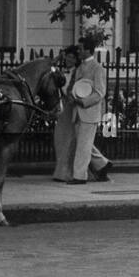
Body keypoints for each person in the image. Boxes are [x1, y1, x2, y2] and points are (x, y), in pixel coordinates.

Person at [67, 38, 113, 184]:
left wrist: (82, 101)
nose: (78, 51)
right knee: (84, 143)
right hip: (78, 111)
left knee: (83, 145)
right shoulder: (80, 68)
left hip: (89, 111)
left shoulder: (97, 68)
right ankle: (103, 164)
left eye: (80, 49)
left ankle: (79, 177)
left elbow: (100, 92)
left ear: (88, 50)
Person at [51, 47, 79, 184]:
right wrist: (58, 57)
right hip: (62, 108)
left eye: (72, 57)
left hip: (72, 107)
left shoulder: (79, 73)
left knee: (69, 140)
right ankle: (60, 170)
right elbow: (49, 67)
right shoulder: (60, 73)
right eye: (68, 57)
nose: (69, 59)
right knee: (59, 139)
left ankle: (65, 173)